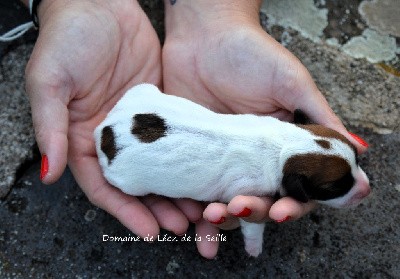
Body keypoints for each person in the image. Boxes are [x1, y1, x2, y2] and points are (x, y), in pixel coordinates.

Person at [21, 0, 368, 259]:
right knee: (235, 206)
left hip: (134, 105)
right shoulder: (260, 173)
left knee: (152, 108)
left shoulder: (268, 127)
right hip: (120, 165)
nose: (362, 187)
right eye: (341, 184)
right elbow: (251, 216)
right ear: (296, 187)